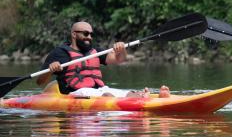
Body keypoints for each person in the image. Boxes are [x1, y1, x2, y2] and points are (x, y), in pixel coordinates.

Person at [36, 21, 170, 98]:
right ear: (74, 34)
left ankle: (147, 98)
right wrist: (50, 70)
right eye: (86, 33)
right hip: (76, 93)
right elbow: (40, 81)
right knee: (107, 95)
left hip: (99, 90)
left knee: (129, 94)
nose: (89, 37)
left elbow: (119, 60)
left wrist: (121, 50)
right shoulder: (59, 53)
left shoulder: (94, 51)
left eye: (91, 34)